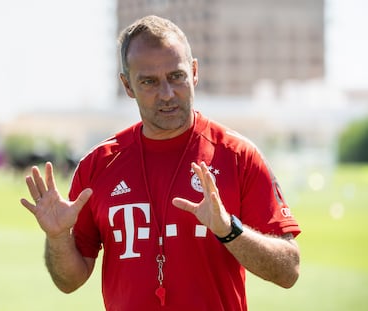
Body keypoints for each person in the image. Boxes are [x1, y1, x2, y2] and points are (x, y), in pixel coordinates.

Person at [20, 15, 301, 311]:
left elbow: (289, 271)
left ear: (193, 72)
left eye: (176, 76)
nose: (167, 94)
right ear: (127, 86)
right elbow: (69, 281)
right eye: (149, 82)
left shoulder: (238, 155)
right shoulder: (97, 165)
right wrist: (57, 237)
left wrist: (229, 230)